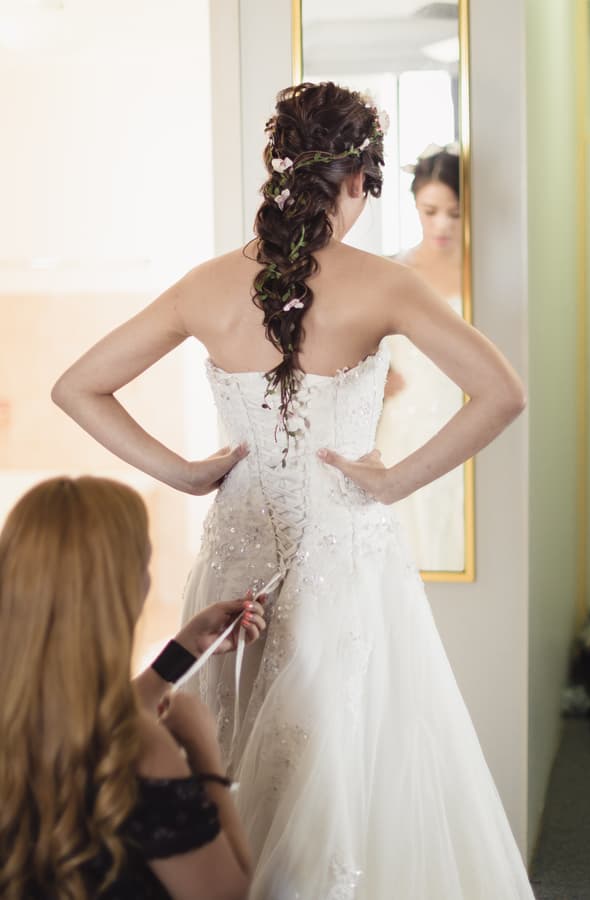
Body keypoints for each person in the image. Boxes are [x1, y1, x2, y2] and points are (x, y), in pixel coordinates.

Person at [51, 82, 534, 899]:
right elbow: (504, 392)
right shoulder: (385, 284)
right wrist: (388, 483)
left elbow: (77, 386)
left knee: (223, 747)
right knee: (342, 768)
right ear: (355, 181)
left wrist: (184, 471)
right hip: (345, 563)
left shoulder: (204, 285)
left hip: (233, 559)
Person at [0, 475, 264, 900]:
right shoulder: (141, 747)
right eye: (144, 564)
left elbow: (86, 718)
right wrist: (204, 755)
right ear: (117, 593)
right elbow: (228, 893)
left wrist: (176, 657)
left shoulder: (17, 710)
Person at [377, 144, 465, 570]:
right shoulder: (394, 272)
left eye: (454, 212)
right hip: (403, 422)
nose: (442, 224)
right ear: (415, 205)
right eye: (431, 211)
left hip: (461, 413)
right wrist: (377, 372)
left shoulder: (483, 271)